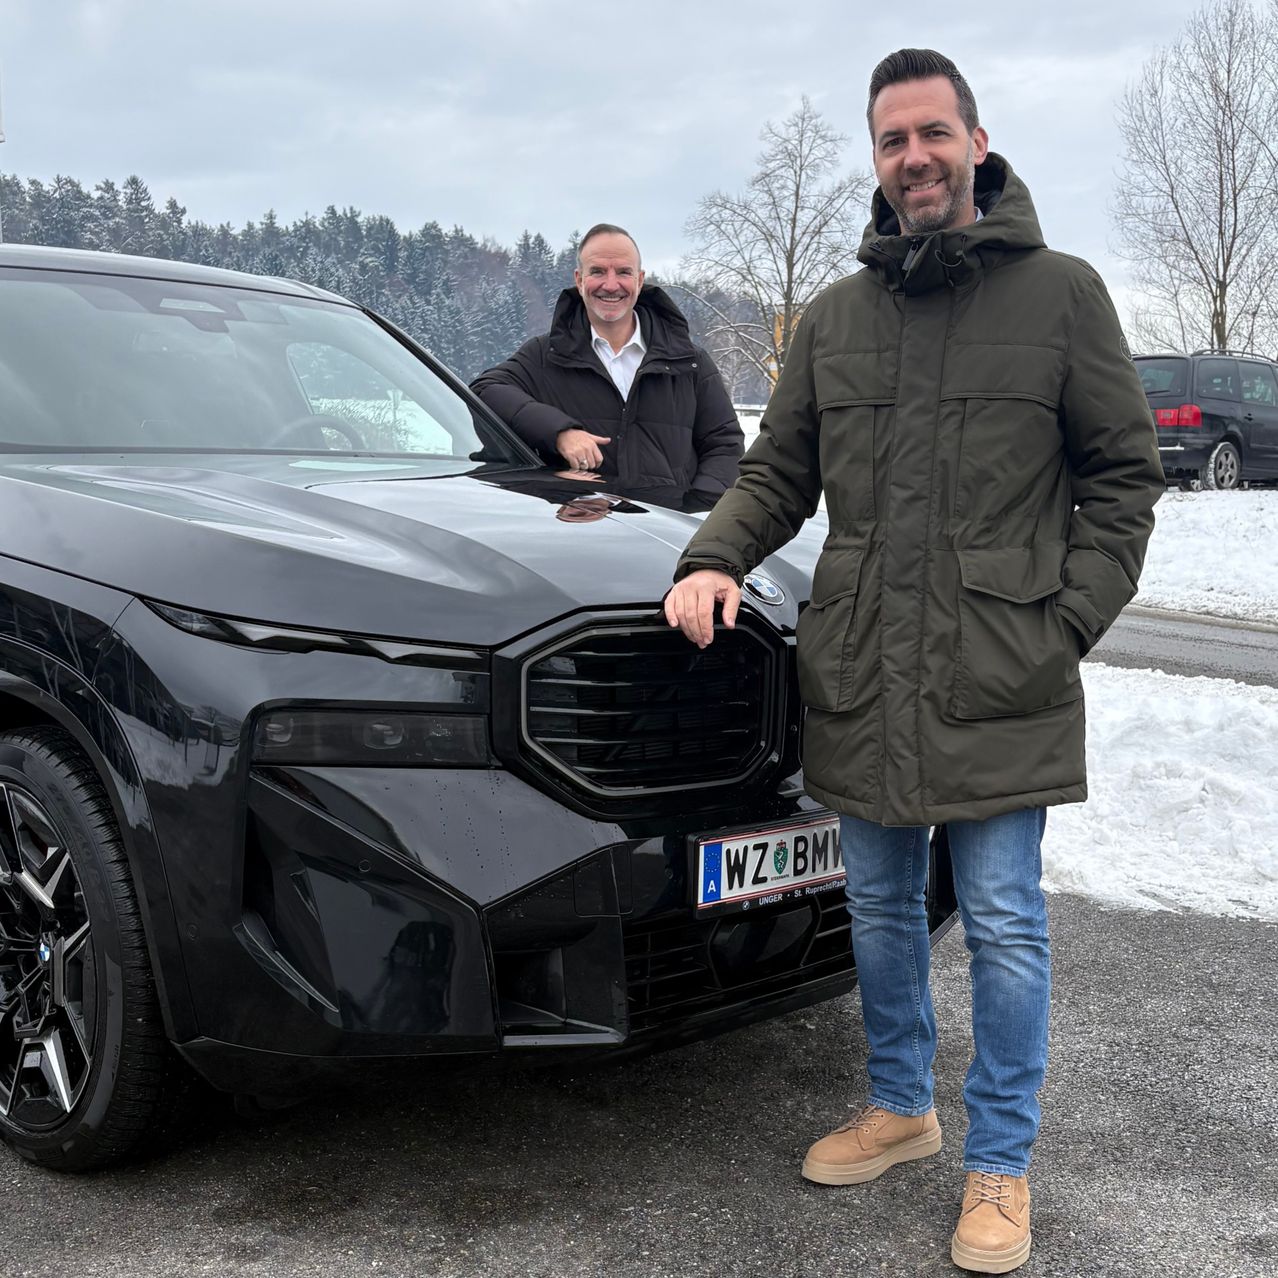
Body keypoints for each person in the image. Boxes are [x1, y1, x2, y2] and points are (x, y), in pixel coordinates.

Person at [664, 49, 1163, 1276]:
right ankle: (901, 1106)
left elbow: (1124, 481)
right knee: (878, 906)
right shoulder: (836, 319)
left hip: (1003, 674)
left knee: (1002, 920)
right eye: (892, 141)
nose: (915, 158)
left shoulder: (1063, 296)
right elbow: (778, 469)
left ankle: (999, 1166)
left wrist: (1062, 625)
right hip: (865, 668)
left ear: (977, 144)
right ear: (877, 164)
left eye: (934, 134)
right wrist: (712, 555)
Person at [471, 224, 743, 501]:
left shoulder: (689, 362)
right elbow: (484, 390)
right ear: (579, 280)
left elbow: (724, 446)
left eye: (623, 272)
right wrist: (560, 433)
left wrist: (697, 512)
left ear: (640, 280)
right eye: (598, 271)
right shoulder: (545, 354)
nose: (611, 285)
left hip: (668, 534)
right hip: (583, 536)